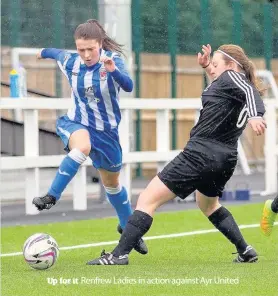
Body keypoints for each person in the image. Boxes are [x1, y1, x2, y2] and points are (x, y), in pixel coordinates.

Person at [87, 43, 267, 265]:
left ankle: (118, 255)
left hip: (200, 153)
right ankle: (245, 250)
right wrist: (207, 67)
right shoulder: (229, 83)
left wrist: (256, 115)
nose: (213, 67)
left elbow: (249, 89)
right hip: (225, 157)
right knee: (208, 204)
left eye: (216, 63)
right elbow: (232, 86)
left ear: (231, 66)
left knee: (146, 200)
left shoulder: (235, 79)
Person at [32, 19, 147, 255]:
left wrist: (113, 71)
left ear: (101, 44)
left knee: (112, 184)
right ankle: (52, 196)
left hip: (107, 133)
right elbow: (56, 53)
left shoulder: (113, 62)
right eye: (80, 49)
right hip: (77, 122)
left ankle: (128, 229)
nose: (85, 54)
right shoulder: (71, 62)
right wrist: (41, 53)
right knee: (81, 146)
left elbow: (128, 86)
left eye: (90, 49)